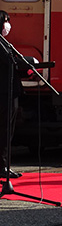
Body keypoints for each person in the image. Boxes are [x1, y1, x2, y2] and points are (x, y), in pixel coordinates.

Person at [0, 10, 22, 178]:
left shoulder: (4, 43)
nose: (8, 25)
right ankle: (3, 167)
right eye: (6, 21)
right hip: (4, 93)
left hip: (9, 92)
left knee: (7, 130)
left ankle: (4, 165)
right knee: (4, 130)